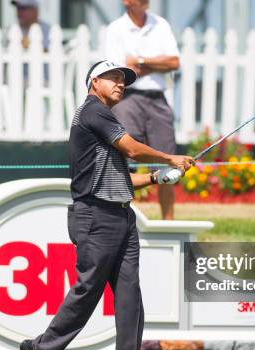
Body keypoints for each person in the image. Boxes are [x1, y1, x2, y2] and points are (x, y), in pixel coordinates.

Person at [19, 60, 194, 350]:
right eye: (113, 78)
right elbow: (131, 149)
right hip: (95, 216)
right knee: (88, 292)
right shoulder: (92, 111)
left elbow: (119, 178)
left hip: (121, 215)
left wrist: (158, 177)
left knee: (129, 294)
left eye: (123, 80)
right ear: (93, 81)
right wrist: (170, 157)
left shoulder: (103, 118)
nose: (120, 84)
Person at [106, 0, 181, 220]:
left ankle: (168, 224)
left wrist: (140, 61)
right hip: (127, 99)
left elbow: (174, 62)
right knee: (124, 162)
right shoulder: (115, 29)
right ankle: (123, 220)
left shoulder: (162, 24)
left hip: (158, 99)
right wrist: (156, 64)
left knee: (168, 161)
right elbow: (121, 70)